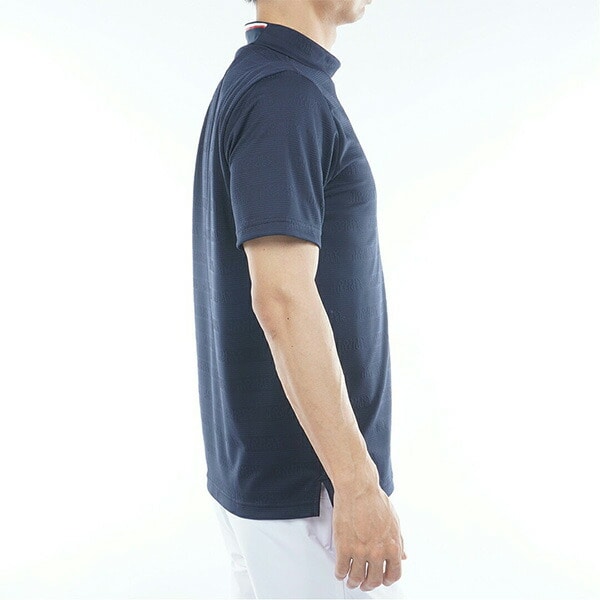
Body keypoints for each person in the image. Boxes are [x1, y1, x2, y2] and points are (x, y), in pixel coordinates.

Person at [191, 1, 407, 597]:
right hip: (311, 495)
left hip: (287, 488)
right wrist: (356, 484)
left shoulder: (270, 81)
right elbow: (282, 299)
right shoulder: (284, 94)